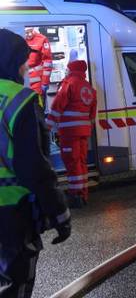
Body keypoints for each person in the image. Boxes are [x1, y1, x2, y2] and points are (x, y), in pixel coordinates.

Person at [0, 28, 71, 298]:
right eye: (23, 62)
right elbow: (35, 168)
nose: (26, 68)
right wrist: (60, 214)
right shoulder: (20, 100)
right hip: (11, 213)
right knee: (16, 284)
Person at [46, 60, 97, 208]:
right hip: (83, 132)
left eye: (68, 69)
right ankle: (83, 194)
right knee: (81, 162)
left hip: (70, 132)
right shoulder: (89, 87)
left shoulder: (69, 84)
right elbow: (92, 114)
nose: (66, 71)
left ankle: (76, 196)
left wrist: (47, 126)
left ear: (71, 69)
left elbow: (57, 106)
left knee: (72, 163)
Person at [24, 27, 53, 97]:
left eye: (30, 31)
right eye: (26, 33)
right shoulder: (16, 39)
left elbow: (47, 62)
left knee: (37, 102)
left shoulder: (42, 39)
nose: (29, 34)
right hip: (20, 82)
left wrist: (45, 82)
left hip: (37, 84)